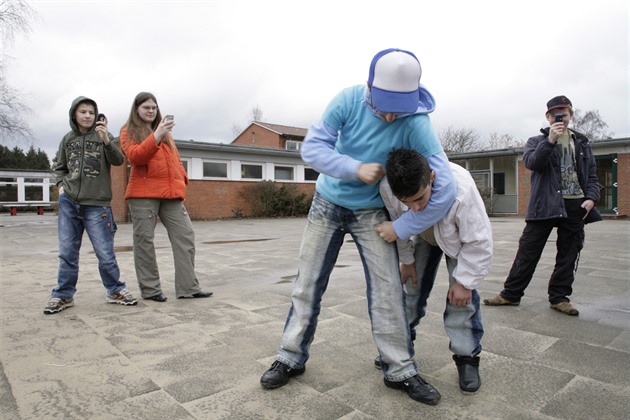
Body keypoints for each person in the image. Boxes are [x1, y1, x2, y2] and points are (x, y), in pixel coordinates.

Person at [260, 48, 457, 406]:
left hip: (373, 212)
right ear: (370, 85)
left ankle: (399, 369)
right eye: (384, 104)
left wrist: (404, 226)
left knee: (387, 290)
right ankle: (290, 356)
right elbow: (313, 149)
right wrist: (353, 168)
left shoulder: (417, 121)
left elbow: (446, 187)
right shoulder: (348, 100)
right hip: (327, 203)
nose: (390, 114)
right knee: (307, 283)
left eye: (399, 106)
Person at [377, 148, 492, 393]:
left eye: (420, 198)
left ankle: (467, 358)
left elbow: (479, 241)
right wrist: (407, 260)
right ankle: (399, 348)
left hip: (459, 241)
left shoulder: (461, 188)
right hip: (423, 237)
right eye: (408, 202)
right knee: (410, 291)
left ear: (431, 177)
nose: (415, 209)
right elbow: (398, 224)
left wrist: (464, 281)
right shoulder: (388, 187)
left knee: (462, 300)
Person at [484, 95, 602, 316]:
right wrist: (550, 141)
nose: (561, 118)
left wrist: (591, 199)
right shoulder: (536, 142)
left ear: (571, 115)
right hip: (544, 205)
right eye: (556, 115)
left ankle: (559, 298)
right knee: (527, 251)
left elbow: (592, 177)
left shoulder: (583, 143)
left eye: (564, 114)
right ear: (548, 117)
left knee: (568, 254)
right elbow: (533, 163)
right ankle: (510, 294)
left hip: (575, 206)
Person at [44, 96, 138, 314]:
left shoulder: (104, 136)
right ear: (74, 115)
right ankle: (63, 295)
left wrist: (106, 139)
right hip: (69, 204)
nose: (87, 116)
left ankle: (115, 290)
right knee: (67, 251)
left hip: (97, 205)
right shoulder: (67, 139)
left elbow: (118, 160)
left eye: (91, 112)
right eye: (83, 112)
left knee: (105, 252)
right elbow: (60, 167)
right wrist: (61, 186)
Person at [119, 92, 212, 302]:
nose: (151, 111)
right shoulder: (128, 131)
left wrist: (182, 183)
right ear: (136, 110)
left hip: (171, 194)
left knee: (185, 235)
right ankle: (151, 290)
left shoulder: (166, 134)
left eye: (153, 107)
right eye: (146, 107)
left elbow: (175, 161)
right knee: (144, 242)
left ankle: (188, 287)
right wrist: (156, 136)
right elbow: (136, 157)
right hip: (143, 195)